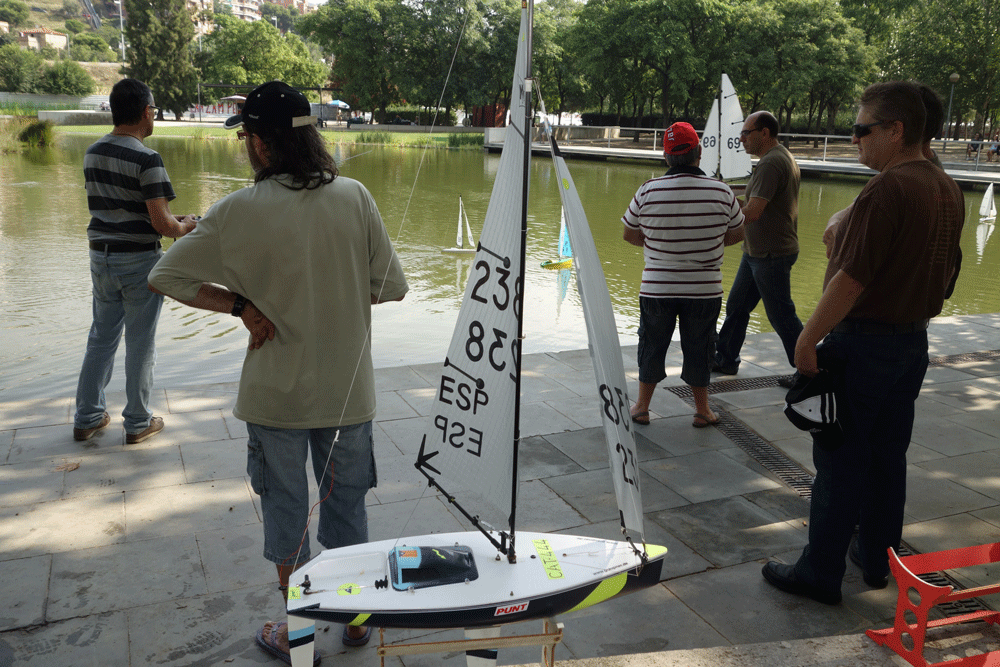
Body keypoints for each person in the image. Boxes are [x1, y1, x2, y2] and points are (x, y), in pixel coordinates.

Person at [148, 80, 408, 664]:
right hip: (347, 394)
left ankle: (300, 636)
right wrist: (337, 292)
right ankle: (356, 620)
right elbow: (392, 287)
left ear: (261, 144)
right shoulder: (356, 197)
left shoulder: (236, 210)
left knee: (287, 514)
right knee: (347, 509)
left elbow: (165, 276)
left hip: (275, 398)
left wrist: (242, 306)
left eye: (245, 136)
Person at [761, 81, 965, 605]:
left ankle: (819, 572)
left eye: (861, 129)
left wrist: (807, 339)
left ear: (895, 130)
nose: (854, 139)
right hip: (910, 344)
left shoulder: (888, 189)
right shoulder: (945, 185)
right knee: (887, 458)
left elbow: (850, 280)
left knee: (839, 462)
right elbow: (948, 275)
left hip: (865, 346)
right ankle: (877, 559)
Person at [72, 78, 198, 445]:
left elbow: (117, 208)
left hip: (100, 257)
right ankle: (138, 422)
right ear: (145, 112)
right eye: (154, 109)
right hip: (138, 260)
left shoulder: (92, 152)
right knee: (141, 343)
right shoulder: (147, 159)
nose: (154, 115)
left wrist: (174, 222)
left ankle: (87, 418)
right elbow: (163, 225)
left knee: (101, 338)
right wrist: (186, 227)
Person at [623, 122, 745, 428]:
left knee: (651, 344)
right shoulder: (722, 191)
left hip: (657, 288)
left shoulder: (648, 190)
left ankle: (642, 407)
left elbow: (629, 233)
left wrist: (658, 246)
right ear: (699, 152)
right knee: (700, 348)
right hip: (704, 289)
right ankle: (702, 410)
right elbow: (737, 233)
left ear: (666, 157)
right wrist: (708, 243)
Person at [713, 111, 802, 385]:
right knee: (737, 306)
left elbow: (752, 213)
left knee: (781, 316)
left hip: (771, 253)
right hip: (757, 252)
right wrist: (726, 194)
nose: (741, 139)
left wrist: (717, 218)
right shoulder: (778, 156)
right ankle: (726, 359)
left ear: (764, 133)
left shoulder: (771, 163)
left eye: (746, 133)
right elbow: (755, 200)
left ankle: (810, 371)